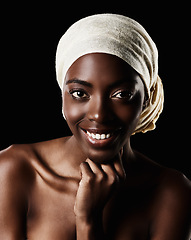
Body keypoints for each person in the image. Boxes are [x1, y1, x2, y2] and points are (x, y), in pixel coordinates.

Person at [0, 13, 190, 240]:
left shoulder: (171, 192)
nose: (99, 115)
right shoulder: (13, 171)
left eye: (122, 94)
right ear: (63, 96)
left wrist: (88, 221)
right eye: (79, 93)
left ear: (147, 98)